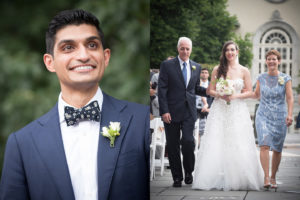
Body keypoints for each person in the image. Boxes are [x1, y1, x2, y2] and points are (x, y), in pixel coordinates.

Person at [0, 9, 149, 200]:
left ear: (106, 57)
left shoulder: (142, 121)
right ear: (49, 62)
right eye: (68, 47)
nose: (84, 55)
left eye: (92, 45)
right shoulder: (22, 144)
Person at [192, 41, 263, 191]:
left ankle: (239, 178)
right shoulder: (218, 69)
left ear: (237, 51)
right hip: (219, 108)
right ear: (224, 53)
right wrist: (221, 94)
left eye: (232, 50)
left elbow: (250, 92)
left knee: (237, 141)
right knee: (216, 141)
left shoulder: (244, 70)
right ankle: (210, 177)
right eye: (227, 50)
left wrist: (235, 96)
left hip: (237, 110)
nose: (230, 52)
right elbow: (210, 90)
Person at [158, 37, 207, 187]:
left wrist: (212, 92)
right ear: (178, 49)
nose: (185, 51)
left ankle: (188, 172)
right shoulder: (167, 65)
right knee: (172, 145)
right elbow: (162, 89)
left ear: (191, 50)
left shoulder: (196, 67)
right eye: (182, 48)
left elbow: (195, 88)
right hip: (171, 112)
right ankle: (177, 177)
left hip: (189, 112)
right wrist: (164, 110)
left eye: (187, 49)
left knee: (188, 141)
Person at [252, 49, 294, 191]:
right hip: (263, 114)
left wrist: (289, 114)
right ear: (266, 61)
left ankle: (273, 176)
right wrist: (235, 94)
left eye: (274, 59)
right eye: (269, 59)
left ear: (279, 61)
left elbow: (289, 98)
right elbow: (256, 94)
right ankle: (265, 177)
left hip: (280, 116)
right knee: (264, 145)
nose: (271, 61)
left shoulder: (286, 78)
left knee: (277, 148)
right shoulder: (260, 78)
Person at [195, 68, 213, 144]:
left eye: (206, 73)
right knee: (195, 129)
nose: (204, 74)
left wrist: (208, 108)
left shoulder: (211, 85)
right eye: (202, 72)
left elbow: (213, 98)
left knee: (205, 130)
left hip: (207, 110)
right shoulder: (196, 84)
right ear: (200, 74)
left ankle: (202, 145)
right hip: (195, 109)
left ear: (208, 75)